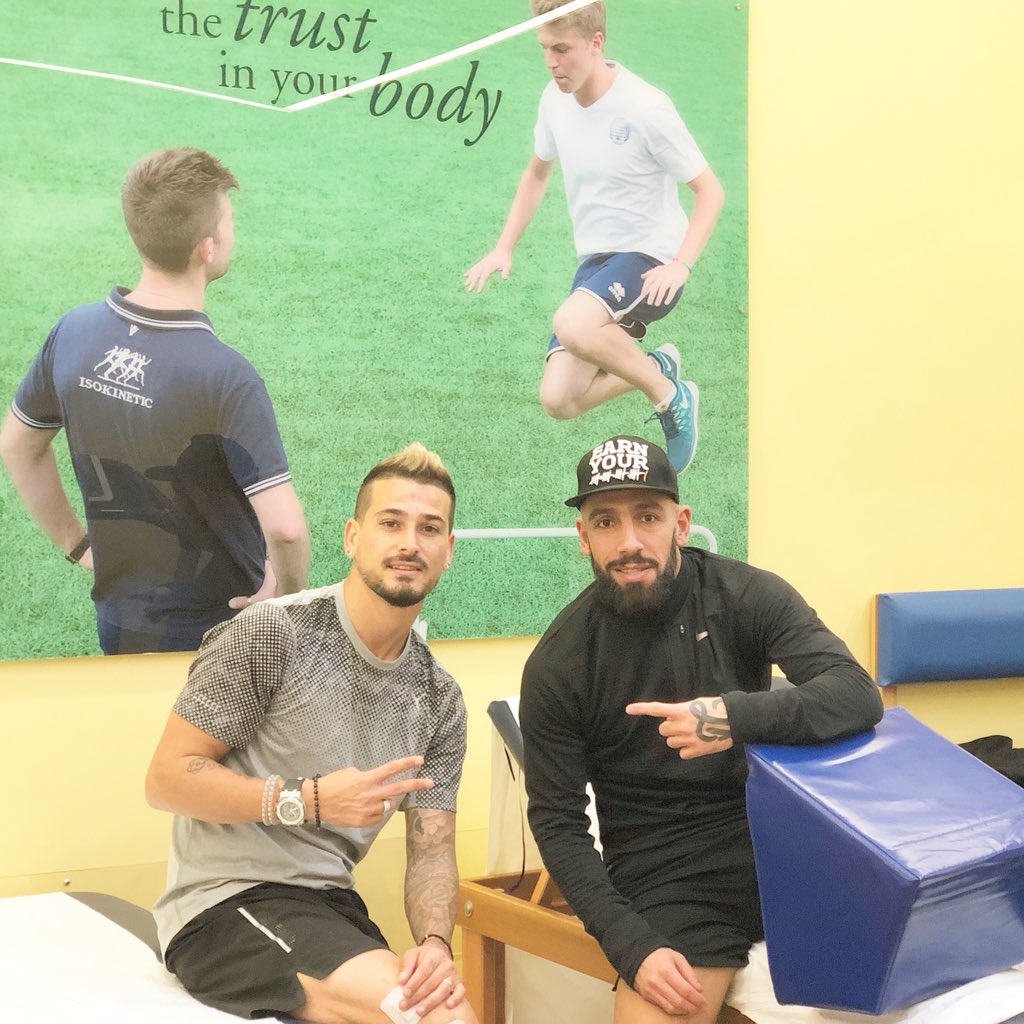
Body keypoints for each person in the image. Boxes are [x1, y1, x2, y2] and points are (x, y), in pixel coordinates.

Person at [519, 434, 884, 1024]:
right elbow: (557, 823)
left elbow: (855, 694)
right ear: (584, 536)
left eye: (648, 516)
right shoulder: (560, 662)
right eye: (606, 521)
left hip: (786, 843)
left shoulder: (746, 594)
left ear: (681, 524)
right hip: (670, 875)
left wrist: (731, 718)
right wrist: (632, 947)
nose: (629, 542)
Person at [146, 443, 477, 1024]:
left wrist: (434, 943)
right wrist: (311, 799)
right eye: (391, 523)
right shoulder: (273, 632)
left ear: (448, 551)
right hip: (224, 904)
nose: (409, 543)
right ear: (352, 537)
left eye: (429, 529)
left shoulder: (439, 699)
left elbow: (432, 849)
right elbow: (167, 780)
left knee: (445, 1004)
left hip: (332, 907)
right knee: (433, 1018)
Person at [0, 146, 309, 655]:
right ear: (206, 247)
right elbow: (287, 530)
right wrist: (287, 600)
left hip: (120, 624)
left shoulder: (73, 332)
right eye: (229, 221)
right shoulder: (226, 377)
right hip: (222, 633)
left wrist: (77, 545)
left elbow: (17, 445)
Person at [464, 0, 724, 474]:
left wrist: (681, 264)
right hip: (596, 267)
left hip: (651, 258)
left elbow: (709, 191)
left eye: (562, 49)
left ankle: (670, 398)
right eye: (545, 48)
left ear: (596, 42)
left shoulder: (645, 108)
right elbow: (537, 173)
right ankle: (658, 368)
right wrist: (504, 246)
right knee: (559, 398)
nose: (551, 62)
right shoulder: (553, 100)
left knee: (572, 323)